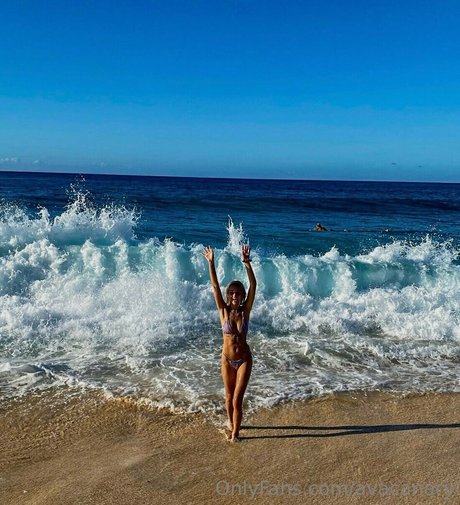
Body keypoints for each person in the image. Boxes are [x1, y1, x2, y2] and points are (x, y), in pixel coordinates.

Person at [203, 244, 256, 442]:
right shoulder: (223, 311)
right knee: (228, 397)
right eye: (232, 293)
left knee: (237, 400)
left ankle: (235, 435)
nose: (235, 296)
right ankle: (231, 423)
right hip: (226, 360)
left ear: (242, 296)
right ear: (228, 295)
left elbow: (254, 286)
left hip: (244, 360)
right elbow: (215, 286)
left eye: (238, 293)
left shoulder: (245, 311)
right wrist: (211, 263)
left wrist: (247, 264)